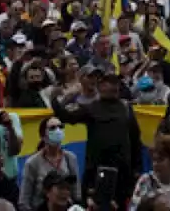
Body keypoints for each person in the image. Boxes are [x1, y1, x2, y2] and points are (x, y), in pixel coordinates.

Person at [51, 72, 142, 209]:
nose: (112, 86)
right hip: (96, 171)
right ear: (100, 86)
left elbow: (135, 139)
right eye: (107, 82)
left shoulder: (126, 108)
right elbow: (66, 117)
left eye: (115, 82)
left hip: (122, 173)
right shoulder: (91, 108)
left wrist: (136, 169)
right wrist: (57, 98)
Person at [18, 118, 78, 211]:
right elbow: (23, 202)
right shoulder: (32, 163)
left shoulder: (70, 158)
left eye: (60, 126)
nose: (58, 130)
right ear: (43, 136)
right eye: (52, 128)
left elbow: (76, 194)